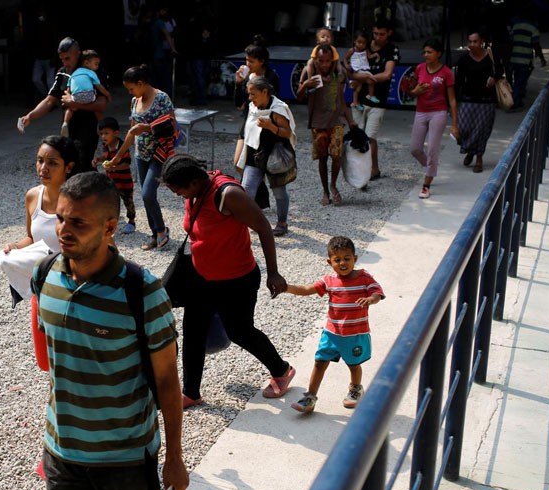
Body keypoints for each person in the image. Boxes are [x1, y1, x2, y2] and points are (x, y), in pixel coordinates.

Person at [31, 172, 195, 490]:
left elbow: (167, 382)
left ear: (109, 227)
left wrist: (174, 458)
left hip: (124, 456)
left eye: (78, 224)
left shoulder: (143, 294)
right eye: (61, 219)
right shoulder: (45, 275)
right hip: (63, 455)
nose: (64, 231)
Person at [159, 154, 295, 408]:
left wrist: (273, 273)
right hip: (202, 277)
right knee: (193, 332)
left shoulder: (228, 194)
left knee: (240, 332)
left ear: (192, 181)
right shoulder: (195, 193)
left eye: (176, 188)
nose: (175, 194)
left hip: (237, 279)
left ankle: (282, 370)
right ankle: (191, 392)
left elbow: (264, 228)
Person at [284, 235, 384, 412]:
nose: (343, 263)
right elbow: (308, 289)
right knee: (319, 362)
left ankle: (355, 389)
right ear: (329, 262)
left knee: (353, 365)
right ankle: (310, 397)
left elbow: (377, 292)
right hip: (331, 334)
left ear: (355, 259)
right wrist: (287, 287)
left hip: (355, 334)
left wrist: (371, 299)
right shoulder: (328, 281)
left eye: (347, 258)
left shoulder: (364, 277)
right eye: (337, 260)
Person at [0, 135, 79, 303]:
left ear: (68, 167)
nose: (43, 168)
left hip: (75, 288)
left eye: (52, 163)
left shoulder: (79, 201)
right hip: (42, 288)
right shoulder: (32, 196)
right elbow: (32, 238)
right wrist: (15, 247)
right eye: (40, 161)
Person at [106, 64, 174, 251]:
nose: (130, 93)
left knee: (147, 193)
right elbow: (131, 132)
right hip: (140, 154)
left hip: (159, 154)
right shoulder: (135, 101)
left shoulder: (162, 98)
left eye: (131, 88)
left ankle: (161, 230)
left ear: (141, 83)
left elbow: (172, 126)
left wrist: (147, 128)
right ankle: (155, 234)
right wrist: (118, 157)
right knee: (146, 197)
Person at [17, 37, 107, 172]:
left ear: (78, 54)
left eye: (68, 58)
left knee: (80, 163)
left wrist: (74, 103)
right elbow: (50, 100)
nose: (65, 62)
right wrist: (30, 116)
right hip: (69, 126)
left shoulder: (93, 71)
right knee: (72, 165)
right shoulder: (62, 72)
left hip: (88, 125)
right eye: (62, 59)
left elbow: (101, 105)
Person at [296, 44, 356, 206]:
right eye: (321, 61)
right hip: (317, 121)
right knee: (322, 158)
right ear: (316, 60)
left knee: (336, 155)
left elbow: (341, 99)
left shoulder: (337, 73)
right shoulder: (309, 72)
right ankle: (325, 190)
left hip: (336, 119)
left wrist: (350, 120)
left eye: (328, 61)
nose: (324, 64)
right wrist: (306, 85)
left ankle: (333, 184)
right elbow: (299, 96)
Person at [240, 76, 296, 236]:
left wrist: (271, 127)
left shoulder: (278, 109)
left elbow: (287, 133)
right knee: (247, 190)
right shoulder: (253, 107)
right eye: (249, 94)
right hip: (254, 154)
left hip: (274, 155)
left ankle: (282, 222)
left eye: (253, 94)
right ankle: (247, 222)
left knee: (279, 191)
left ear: (264, 92)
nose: (250, 98)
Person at [407, 38, 458, 200]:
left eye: (430, 52)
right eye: (424, 52)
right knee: (415, 149)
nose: (426, 55)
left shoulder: (446, 73)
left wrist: (455, 124)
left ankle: (426, 184)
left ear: (439, 54)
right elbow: (412, 92)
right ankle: (430, 166)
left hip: (439, 112)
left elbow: (452, 100)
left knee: (433, 149)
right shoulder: (420, 68)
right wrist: (417, 91)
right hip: (421, 111)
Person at [348, 20, 399, 182]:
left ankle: (373, 168)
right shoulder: (362, 44)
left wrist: (363, 78)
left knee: (370, 137)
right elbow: (349, 68)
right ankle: (359, 168)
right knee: (357, 136)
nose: (378, 37)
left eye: (382, 34)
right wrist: (356, 77)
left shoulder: (392, 49)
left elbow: (387, 74)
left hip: (379, 100)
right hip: (359, 99)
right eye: (375, 33)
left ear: (389, 33)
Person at [455, 30, 502, 174]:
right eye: (470, 42)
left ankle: (479, 158)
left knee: (482, 131)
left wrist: (494, 78)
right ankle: (470, 150)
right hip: (468, 99)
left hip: (486, 100)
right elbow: (459, 81)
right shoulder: (464, 59)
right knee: (463, 128)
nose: (472, 44)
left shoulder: (491, 56)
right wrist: (454, 101)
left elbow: (500, 71)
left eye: (475, 41)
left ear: (482, 41)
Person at [233, 39, 281, 174]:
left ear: (262, 61)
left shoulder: (271, 78)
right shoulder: (247, 77)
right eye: (247, 60)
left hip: (264, 123)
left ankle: (254, 192)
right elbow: (239, 104)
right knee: (238, 163)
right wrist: (238, 83)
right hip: (248, 120)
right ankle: (256, 191)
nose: (248, 64)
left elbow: (275, 104)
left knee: (259, 165)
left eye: (252, 61)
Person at [93, 116, 138, 234]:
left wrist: (114, 167)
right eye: (101, 134)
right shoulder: (106, 146)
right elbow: (106, 156)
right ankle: (110, 222)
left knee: (128, 202)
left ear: (116, 133)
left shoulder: (122, 147)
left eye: (106, 133)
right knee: (111, 202)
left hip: (124, 182)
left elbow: (127, 164)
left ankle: (131, 221)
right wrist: (98, 159)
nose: (103, 137)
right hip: (112, 181)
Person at [61, 49, 111, 138]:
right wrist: (108, 95)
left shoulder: (73, 74)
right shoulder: (92, 73)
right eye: (96, 64)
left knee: (71, 109)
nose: (97, 67)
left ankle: (65, 123)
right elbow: (99, 87)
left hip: (75, 97)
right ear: (87, 63)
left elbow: (68, 89)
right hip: (89, 96)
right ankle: (101, 125)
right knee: (96, 108)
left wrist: (68, 99)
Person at [508, 8, 547, 110]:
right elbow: (536, 45)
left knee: (517, 79)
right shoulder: (533, 28)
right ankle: (515, 102)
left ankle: (518, 100)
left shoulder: (515, 27)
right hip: (525, 59)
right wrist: (542, 58)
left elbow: (511, 41)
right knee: (521, 81)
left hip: (515, 58)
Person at [343, 31, 380, 109]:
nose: (361, 45)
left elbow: (369, 57)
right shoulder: (352, 50)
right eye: (359, 42)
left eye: (364, 43)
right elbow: (345, 59)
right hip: (356, 69)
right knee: (369, 79)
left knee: (360, 86)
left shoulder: (365, 50)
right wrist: (347, 66)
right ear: (355, 41)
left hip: (364, 68)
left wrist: (375, 55)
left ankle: (364, 98)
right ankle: (362, 99)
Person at [150, 5, 178, 96]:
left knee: (158, 77)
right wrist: (173, 49)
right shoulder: (159, 23)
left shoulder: (154, 22)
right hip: (159, 53)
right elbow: (167, 35)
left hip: (157, 53)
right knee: (162, 78)